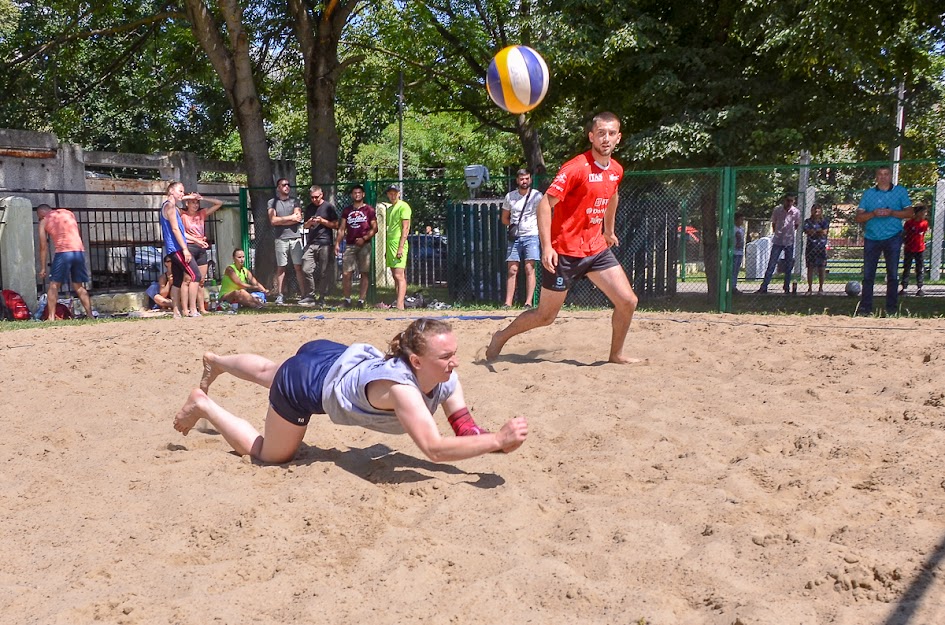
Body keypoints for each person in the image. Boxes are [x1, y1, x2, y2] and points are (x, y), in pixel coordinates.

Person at [173, 318, 528, 464]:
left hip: (332, 354)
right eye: (446, 356)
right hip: (306, 386)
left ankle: (218, 361)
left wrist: (489, 441)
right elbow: (434, 448)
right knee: (270, 456)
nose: (455, 363)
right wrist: (497, 440)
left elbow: (464, 429)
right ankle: (204, 405)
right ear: (416, 361)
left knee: (269, 370)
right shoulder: (402, 390)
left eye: (454, 353)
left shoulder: (444, 375)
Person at [486, 112, 639, 364]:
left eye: (611, 133)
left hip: (595, 249)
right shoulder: (576, 167)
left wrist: (608, 231)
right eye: (601, 133)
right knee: (546, 317)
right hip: (564, 252)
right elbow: (545, 204)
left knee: (627, 301)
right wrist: (547, 247)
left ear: (618, 137)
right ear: (591, 136)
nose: (606, 138)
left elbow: (612, 196)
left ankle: (616, 355)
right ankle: (501, 336)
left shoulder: (616, 170)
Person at [855, 165, 913, 316]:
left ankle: (891, 309)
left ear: (890, 175)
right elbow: (859, 217)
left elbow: (910, 213)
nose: (883, 177)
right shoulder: (868, 194)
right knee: (868, 275)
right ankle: (865, 308)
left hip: (893, 237)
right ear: (876, 176)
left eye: (886, 174)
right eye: (880, 174)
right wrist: (873, 214)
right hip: (871, 238)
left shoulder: (900, 191)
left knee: (892, 275)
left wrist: (892, 212)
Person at [36, 203, 95, 320]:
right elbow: (77, 232)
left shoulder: (44, 221)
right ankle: (90, 315)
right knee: (79, 286)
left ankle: (51, 318)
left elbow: (43, 246)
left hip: (63, 252)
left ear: (41, 213)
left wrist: (43, 267)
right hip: (78, 251)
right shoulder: (68, 213)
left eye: (39, 216)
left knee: (54, 285)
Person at [501, 168, 543, 308]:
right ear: (517, 180)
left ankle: (528, 302)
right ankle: (508, 303)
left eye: (526, 178)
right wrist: (513, 227)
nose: (524, 181)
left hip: (531, 235)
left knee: (529, 268)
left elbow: (543, 214)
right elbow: (504, 218)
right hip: (515, 237)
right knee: (512, 269)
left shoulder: (537, 196)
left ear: (530, 179)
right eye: (521, 179)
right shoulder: (510, 196)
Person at [160, 181, 202, 318]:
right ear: (171, 191)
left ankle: (176, 312)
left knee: (177, 280)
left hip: (173, 250)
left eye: (183, 192)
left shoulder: (169, 206)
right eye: (180, 191)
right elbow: (175, 229)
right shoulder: (170, 207)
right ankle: (192, 309)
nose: (182, 194)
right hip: (177, 249)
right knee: (196, 275)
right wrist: (185, 249)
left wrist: (196, 240)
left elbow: (181, 231)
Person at [181, 192, 225, 314]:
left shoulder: (202, 213)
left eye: (197, 203)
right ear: (187, 203)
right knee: (188, 279)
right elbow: (172, 202)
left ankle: (202, 308)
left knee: (200, 280)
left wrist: (203, 198)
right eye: (192, 202)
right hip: (189, 246)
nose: (195, 205)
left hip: (202, 247)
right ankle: (186, 309)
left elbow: (219, 203)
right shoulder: (182, 214)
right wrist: (188, 196)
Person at [336, 184, 378, 308]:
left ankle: (361, 301)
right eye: (355, 193)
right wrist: (337, 243)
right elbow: (342, 228)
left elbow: (375, 228)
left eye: (359, 192)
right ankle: (347, 300)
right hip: (349, 244)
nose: (357, 195)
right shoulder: (347, 210)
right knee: (346, 273)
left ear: (363, 194)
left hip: (364, 245)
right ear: (351, 195)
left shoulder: (369, 210)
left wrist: (364, 238)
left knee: (364, 273)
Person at [268, 178, 306, 305]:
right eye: (284, 185)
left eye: (288, 185)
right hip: (280, 239)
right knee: (281, 267)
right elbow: (273, 221)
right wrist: (290, 218)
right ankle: (280, 295)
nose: (287, 187)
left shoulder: (295, 201)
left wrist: (281, 220)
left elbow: (298, 218)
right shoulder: (272, 202)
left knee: (298, 267)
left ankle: (304, 294)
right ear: (278, 187)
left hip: (295, 238)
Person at [300, 185, 339, 305]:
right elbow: (305, 226)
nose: (314, 199)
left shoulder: (328, 207)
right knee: (306, 268)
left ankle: (322, 297)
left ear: (321, 195)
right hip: (312, 242)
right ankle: (310, 295)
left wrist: (322, 221)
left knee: (323, 271)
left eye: (316, 197)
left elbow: (336, 225)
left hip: (325, 243)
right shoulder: (309, 208)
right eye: (312, 197)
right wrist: (310, 222)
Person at [757, 195, 801, 294]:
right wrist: (776, 232)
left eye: (792, 201)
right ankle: (764, 287)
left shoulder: (796, 212)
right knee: (772, 264)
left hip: (789, 241)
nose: (789, 203)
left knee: (788, 265)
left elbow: (796, 225)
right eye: (788, 200)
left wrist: (790, 233)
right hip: (778, 240)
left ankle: (786, 287)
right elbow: (774, 222)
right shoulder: (777, 210)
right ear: (784, 201)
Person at [384, 184, 411, 310]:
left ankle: (401, 304)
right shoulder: (389, 209)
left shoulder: (403, 206)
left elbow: (405, 228)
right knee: (395, 275)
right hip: (390, 244)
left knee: (400, 275)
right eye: (390, 193)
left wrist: (401, 247)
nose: (393, 195)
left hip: (399, 243)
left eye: (395, 192)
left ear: (399, 193)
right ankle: (398, 301)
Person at [900, 204, 928, 297]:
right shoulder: (909, 223)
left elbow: (921, 233)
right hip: (909, 248)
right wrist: (905, 242)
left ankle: (920, 288)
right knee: (907, 268)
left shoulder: (924, 223)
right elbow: (904, 234)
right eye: (923, 212)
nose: (925, 214)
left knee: (919, 268)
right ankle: (904, 288)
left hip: (920, 249)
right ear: (918, 213)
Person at [803, 203, 830, 295]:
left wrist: (816, 231)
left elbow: (824, 232)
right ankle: (810, 288)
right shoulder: (807, 221)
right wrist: (818, 231)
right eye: (814, 209)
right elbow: (808, 231)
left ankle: (821, 288)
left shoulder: (824, 221)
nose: (816, 211)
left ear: (821, 211)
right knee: (810, 267)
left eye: (818, 209)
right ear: (811, 211)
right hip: (810, 247)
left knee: (821, 268)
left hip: (821, 247)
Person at [732, 212, 746, 293]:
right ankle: (732, 286)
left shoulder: (741, 229)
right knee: (733, 270)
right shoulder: (733, 229)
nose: (742, 221)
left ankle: (734, 285)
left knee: (736, 270)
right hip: (734, 252)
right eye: (741, 219)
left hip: (739, 252)